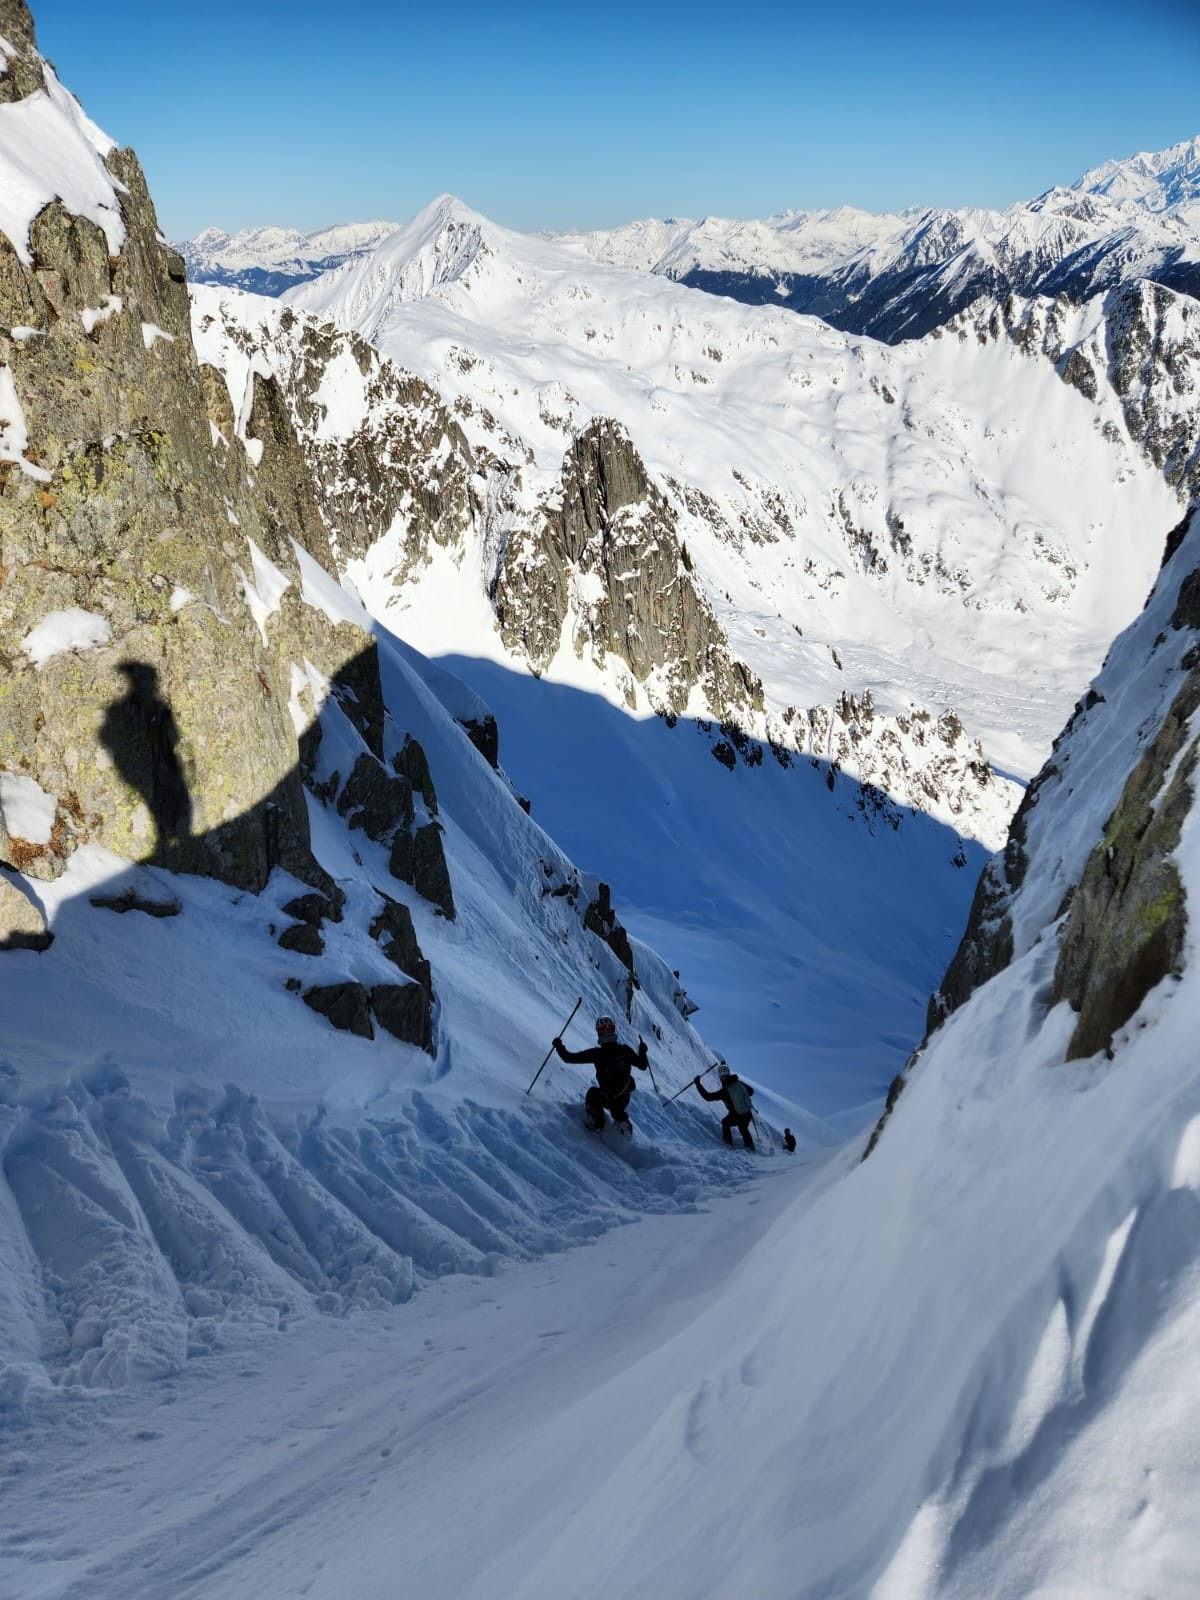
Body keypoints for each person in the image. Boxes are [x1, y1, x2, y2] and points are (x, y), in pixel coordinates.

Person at [554, 1015, 650, 1134]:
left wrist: (559, 1046)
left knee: (592, 1094)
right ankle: (622, 1123)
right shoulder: (625, 1050)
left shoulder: (598, 1054)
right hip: (624, 1096)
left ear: (599, 1034)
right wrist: (642, 1051)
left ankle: (597, 1122)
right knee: (617, 1111)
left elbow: (569, 1058)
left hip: (607, 1095)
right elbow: (642, 1065)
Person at [695, 1063, 756, 1151]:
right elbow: (751, 1091)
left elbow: (708, 1097)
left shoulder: (724, 1091)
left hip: (736, 1115)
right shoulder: (739, 1083)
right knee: (743, 1128)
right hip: (747, 1113)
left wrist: (698, 1084)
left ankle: (728, 1143)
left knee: (725, 1122)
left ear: (720, 1077)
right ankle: (751, 1147)